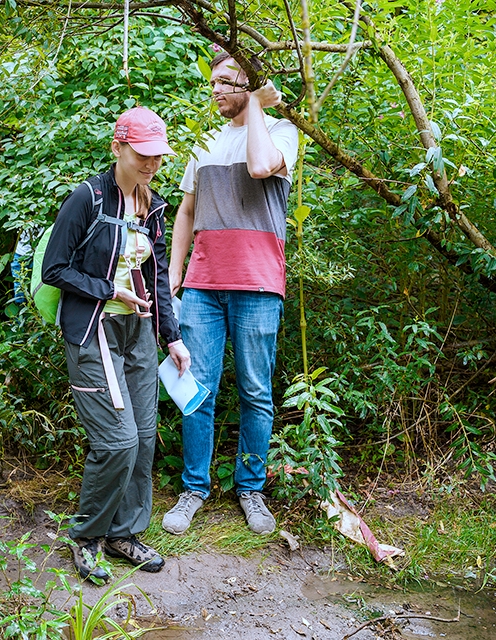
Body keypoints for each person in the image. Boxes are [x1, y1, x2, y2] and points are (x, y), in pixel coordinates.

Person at [42, 107, 191, 582]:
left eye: (157, 156)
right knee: (118, 440)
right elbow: (55, 269)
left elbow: (159, 278)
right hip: (94, 330)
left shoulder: (155, 206)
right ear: (118, 148)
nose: (151, 163)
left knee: (144, 439)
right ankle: (86, 536)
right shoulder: (87, 198)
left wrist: (173, 336)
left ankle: (125, 533)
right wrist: (109, 291)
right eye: (143, 154)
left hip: (139, 334)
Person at [160, 53, 298, 537]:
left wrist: (258, 107)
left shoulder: (281, 132)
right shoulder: (205, 142)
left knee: (256, 392)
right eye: (212, 81)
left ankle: (250, 489)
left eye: (225, 81)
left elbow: (261, 166)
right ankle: (194, 488)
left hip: (258, 283)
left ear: (251, 83)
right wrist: (173, 274)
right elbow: (186, 211)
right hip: (202, 284)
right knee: (196, 389)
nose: (214, 89)